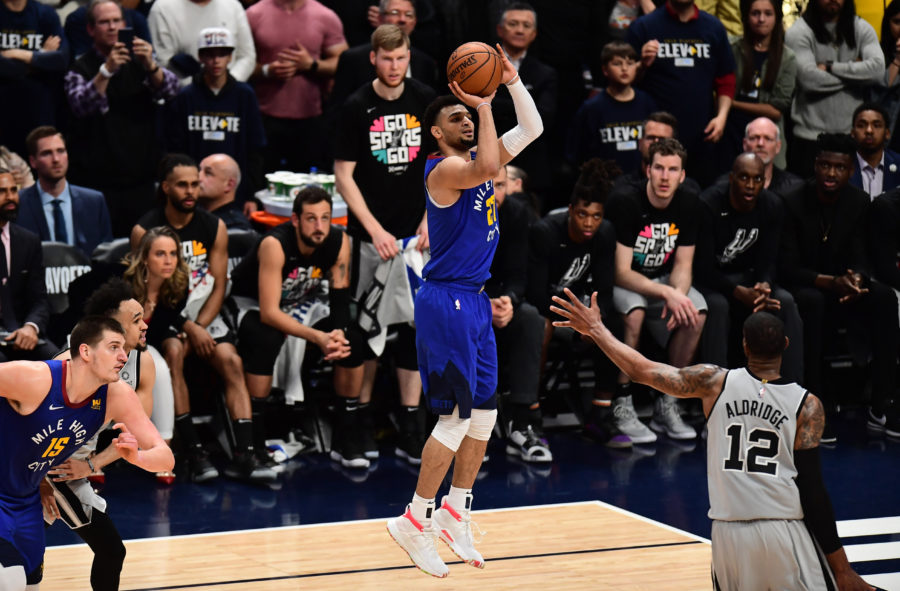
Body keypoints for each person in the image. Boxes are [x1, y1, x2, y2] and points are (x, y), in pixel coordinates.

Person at [550, 294, 875, 591]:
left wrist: (597, 330)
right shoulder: (807, 406)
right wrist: (842, 568)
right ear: (786, 345)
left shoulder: (712, 382)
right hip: (783, 531)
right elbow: (813, 491)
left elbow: (641, 370)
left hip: (727, 536)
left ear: (744, 345)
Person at [386, 44, 542, 577]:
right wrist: (482, 102)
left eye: (468, 114)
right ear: (436, 131)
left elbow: (534, 129)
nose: (467, 119)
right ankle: (415, 517)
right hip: (446, 299)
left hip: (473, 300)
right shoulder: (443, 170)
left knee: (487, 413)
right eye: (455, 115)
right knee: (453, 419)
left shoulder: (479, 160)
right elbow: (490, 163)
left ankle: (457, 508)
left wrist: (512, 81)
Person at [0, 316, 174, 591]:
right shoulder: (35, 378)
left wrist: (135, 457)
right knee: (10, 581)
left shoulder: (116, 395)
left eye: (124, 349)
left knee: (29, 584)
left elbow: (165, 456)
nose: (123, 356)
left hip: (26, 498)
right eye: (114, 347)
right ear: (85, 352)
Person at [131, 156, 274, 483]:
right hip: (165, 319)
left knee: (231, 360)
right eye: (182, 184)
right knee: (174, 354)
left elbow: (219, 283)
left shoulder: (214, 226)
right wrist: (186, 329)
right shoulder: (144, 229)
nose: (191, 190)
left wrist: (200, 326)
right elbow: (142, 288)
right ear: (166, 187)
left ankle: (245, 454)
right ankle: (193, 452)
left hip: (205, 315)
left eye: (195, 183)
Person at [333, 23, 435, 464]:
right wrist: (373, 228)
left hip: (418, 240)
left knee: (415, 331)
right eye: (386, 58)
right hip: (371, 240)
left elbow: (444, 162)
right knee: (368, 333)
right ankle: (355, 423)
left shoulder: (426, 99)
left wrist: (434, 217)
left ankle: (410, 423)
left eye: (401, 57)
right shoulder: (355, 107)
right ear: (373, 58)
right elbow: (343, 175)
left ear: (409, 56)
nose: (394, 66)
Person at [229, 186, 369, 469]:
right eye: (311, 219)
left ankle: (346, 436)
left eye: (325, 218)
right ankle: (255, 440)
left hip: (301, 301)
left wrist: (337, 333)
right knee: (265, 337)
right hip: (251, 303)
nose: (319, 227)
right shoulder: (275, 244)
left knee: (352, 340)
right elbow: (269, 313)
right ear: (295, 220)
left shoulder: (339, 241)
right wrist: (318, 337)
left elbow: (340, 299)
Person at [779, 133, 899, 443]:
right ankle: (814, 405)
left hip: (842, 285)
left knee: (883, 298)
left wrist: (857, 278)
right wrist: (832, 282)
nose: (831, 174)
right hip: (804, 285)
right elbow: (788, 267)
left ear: (850, 171)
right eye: (825, 165)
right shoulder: (791, 201)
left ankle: (881, 403)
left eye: (839, 167)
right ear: (815, 165)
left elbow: (861, 254)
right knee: (813, 302)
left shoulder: (858, 201)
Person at [44, 278, 156, 590]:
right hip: (50, 469)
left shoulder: (143, 363)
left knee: (24, 545)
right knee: (110, 549)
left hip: (73, 470)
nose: (145, 325)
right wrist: (39, 479)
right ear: (110, 326)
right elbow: (28, 427)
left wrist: (92, 465)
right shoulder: (67, 363)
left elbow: (133, 439)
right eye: (136, 320)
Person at [605, 138, 705, 442]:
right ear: (648, 169)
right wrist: (667, 294)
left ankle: (668, 402)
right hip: (628, 282)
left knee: (696, 313)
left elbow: (684, 264)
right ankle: (622, 403)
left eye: (673, 169)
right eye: (659, 168)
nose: (665, 176)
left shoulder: (689, 202)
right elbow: (621, 272)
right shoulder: (626, 201)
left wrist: (678, 294)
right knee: (633, 316)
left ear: (682, 175)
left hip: (664, 281)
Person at [526, 158, 632, 448]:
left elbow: (605, 290)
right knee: (541, 328)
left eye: (596, 216)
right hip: (548, 308)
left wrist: (593, 320)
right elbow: (535, 294)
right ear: (571, 210)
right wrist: (577, 322)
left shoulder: (605, 234)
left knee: (612, 323)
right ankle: (529, 414)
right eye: (583, 214)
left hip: (579, 309)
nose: (589, 223)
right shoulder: (545, 232)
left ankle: (601, 412)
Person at [64, 0, 179, 238]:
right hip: (96, 183)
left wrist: (151, 65)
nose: (112, 27)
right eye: (104, 22)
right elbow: (81, 105)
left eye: (116, 21)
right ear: (90, 30)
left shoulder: (141, 62)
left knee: (143, 248)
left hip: (141, 180)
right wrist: (106, 70)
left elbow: (171, 91)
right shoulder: (80, 67)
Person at [696, 152, 803, 383]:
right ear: (731, 178)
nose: (751, 185)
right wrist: (737, 292)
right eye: (744, 178)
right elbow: (702, 267)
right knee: (718, 305)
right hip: (713, 280)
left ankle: (791, 387)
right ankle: (715, 390)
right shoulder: (709, 203)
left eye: (757, 179)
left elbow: (770, 258)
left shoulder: (772, 204)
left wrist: (764, 284)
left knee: (784, 302)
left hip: (750, 279)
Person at [626, 0, 735, 185]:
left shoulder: (714, 27)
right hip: (656, 138)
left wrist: (722, 117)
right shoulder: (644, 26)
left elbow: (726, 79)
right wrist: (641, 65)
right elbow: (623, 83)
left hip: (702, 135)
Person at [489, 164, 554, 462]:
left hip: (498, 301)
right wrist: (482, 303)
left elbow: (518, 274)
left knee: (530, 318)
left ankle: (522, 422)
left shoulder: (515, 213)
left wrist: (508, 301)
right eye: (489, 184)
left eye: (501, 185)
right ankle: (464, 425)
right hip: (462, 301)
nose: (495, 193)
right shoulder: (454, 212)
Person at [165, 28, 266, 209]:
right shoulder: (186, 96)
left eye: (222, 54)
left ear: (230, 57)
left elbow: (255, 150)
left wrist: (252, 195)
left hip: (235, 193)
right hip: (193, 192)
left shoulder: (245, 95)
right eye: (210, 55)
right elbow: (175, 149)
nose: (216, 61)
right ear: (201, 58)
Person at [247, 0, 348, 173]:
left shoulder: (325, 16)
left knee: (306, 188)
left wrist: (311, 65)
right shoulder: (254, 14)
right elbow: (237, 62)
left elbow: (344, 62)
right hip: (264, 117)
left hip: (310, 118)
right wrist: (266, 70)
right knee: (262, 183)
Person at [785, 0, 884, 178]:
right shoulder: (799, 31)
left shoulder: (861, 28)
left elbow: (877, 71)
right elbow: (808, 80)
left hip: (853, 138)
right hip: (809, 138)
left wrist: (832, 67)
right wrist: (857, 74)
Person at [491, 2, 556, 202]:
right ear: (500, 30)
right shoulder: (484, 66)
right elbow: (480, 110)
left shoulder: (546, 73)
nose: (520, 30)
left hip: (532, 167)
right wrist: (525, 109)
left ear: (535, 34)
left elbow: (544, 116)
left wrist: (499, 106)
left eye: (526, 25)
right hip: (492, 159)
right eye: (513, 24)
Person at [17, 126, 113, 258]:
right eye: (47, 153)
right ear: (33, 162)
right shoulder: (19, 204)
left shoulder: (94, 202)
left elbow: (106, 256)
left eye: (61, 151)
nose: (56, 159)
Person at [723, 0, 796, 171]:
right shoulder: (732, 49)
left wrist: (731, 103)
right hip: (732, 133)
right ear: (746, 17)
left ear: (777, 17)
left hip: (767, 135)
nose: (761, 19)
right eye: (755, 13)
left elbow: (776, 111)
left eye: (768, 14)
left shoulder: (788, 58)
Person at [566, 41, 658, 174]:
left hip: (640, 182)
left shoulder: (647, 103)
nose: (625, 69)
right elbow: (576, 153)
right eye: (617, 63)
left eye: (630, 63)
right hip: (604, 184)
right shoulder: (592, 108)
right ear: (605, 70)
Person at [328, 0, 438, 111]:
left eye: (408, 15)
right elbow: (335, 114)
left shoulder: (425, 63)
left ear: (414, 22)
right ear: (379, 18)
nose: (402, 19)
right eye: (395, 12)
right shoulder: (353, 60)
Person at [0, 169, 57, 362]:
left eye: (13, 190)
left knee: (59, 362)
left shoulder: (28, 241)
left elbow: (40, 299)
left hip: (24, 334)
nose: (10, 197)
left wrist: (31, 327)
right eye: (2, 192)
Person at [0, 0, 68, 157]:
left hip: (39, 111)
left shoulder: (45, 14)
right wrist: (42, 57)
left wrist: (21, 54)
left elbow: (61, 59)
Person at [147, 0, 256, 82]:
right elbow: (163, 64)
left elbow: (247, 56)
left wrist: (226, 86)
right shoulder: (162, 8)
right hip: (183, 98)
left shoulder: (233, 5)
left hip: (231, 95)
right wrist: (199, 90)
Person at [611, 111, 701, 196]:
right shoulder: (622, 188)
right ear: (640, 143)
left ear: (675, 145)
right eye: (651, 138)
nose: (656, 143)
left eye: (662, 139)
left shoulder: (689, 190)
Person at [740, 116, 803, 196]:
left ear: (778, 147)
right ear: (744, 144)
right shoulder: (726, 187)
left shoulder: (794, 188)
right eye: (754, 138)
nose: (760, 144)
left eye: (768, 138)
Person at [849, 102, 900, 198]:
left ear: (887, 133)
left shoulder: (898, 163)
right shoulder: (843, 166)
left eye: (876, 125)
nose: (869, 130)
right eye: (861, 125)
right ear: (852, 133)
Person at [870, 0, 900, 154]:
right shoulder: (877, 53)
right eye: (897, 22)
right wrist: (898, 59)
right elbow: (880, 92)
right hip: (887, 135)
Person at [197, 153, 253, 231]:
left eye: (208, 173)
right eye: (199, 171)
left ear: (229, 185)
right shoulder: (191, 214)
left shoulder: (236, 228)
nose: (198, 178)